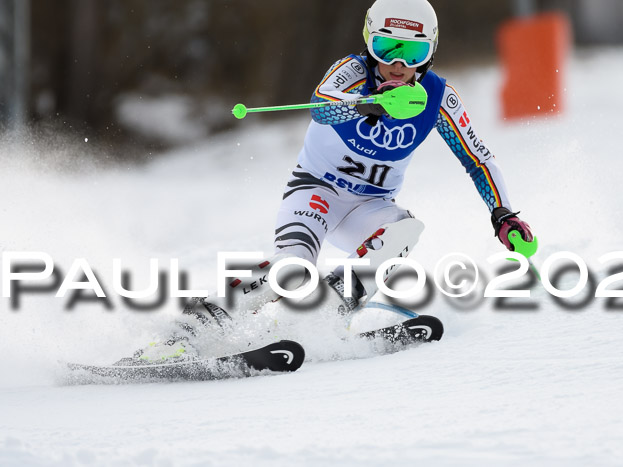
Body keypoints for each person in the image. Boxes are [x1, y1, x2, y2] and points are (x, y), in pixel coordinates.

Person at [134, 0, 534, 361]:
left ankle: (323, 317)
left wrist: (503, 214)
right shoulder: (352, 72)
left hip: (367, 206)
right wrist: (371, 104)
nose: (398, 63)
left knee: (404, 230)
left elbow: (477, 159)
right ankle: (193, 329)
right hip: (315, 192)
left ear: (429, 53)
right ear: (368, 43)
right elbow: (322, 107)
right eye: (386, 48)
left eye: (412, 52)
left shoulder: (439, 98)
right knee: (293, 269)